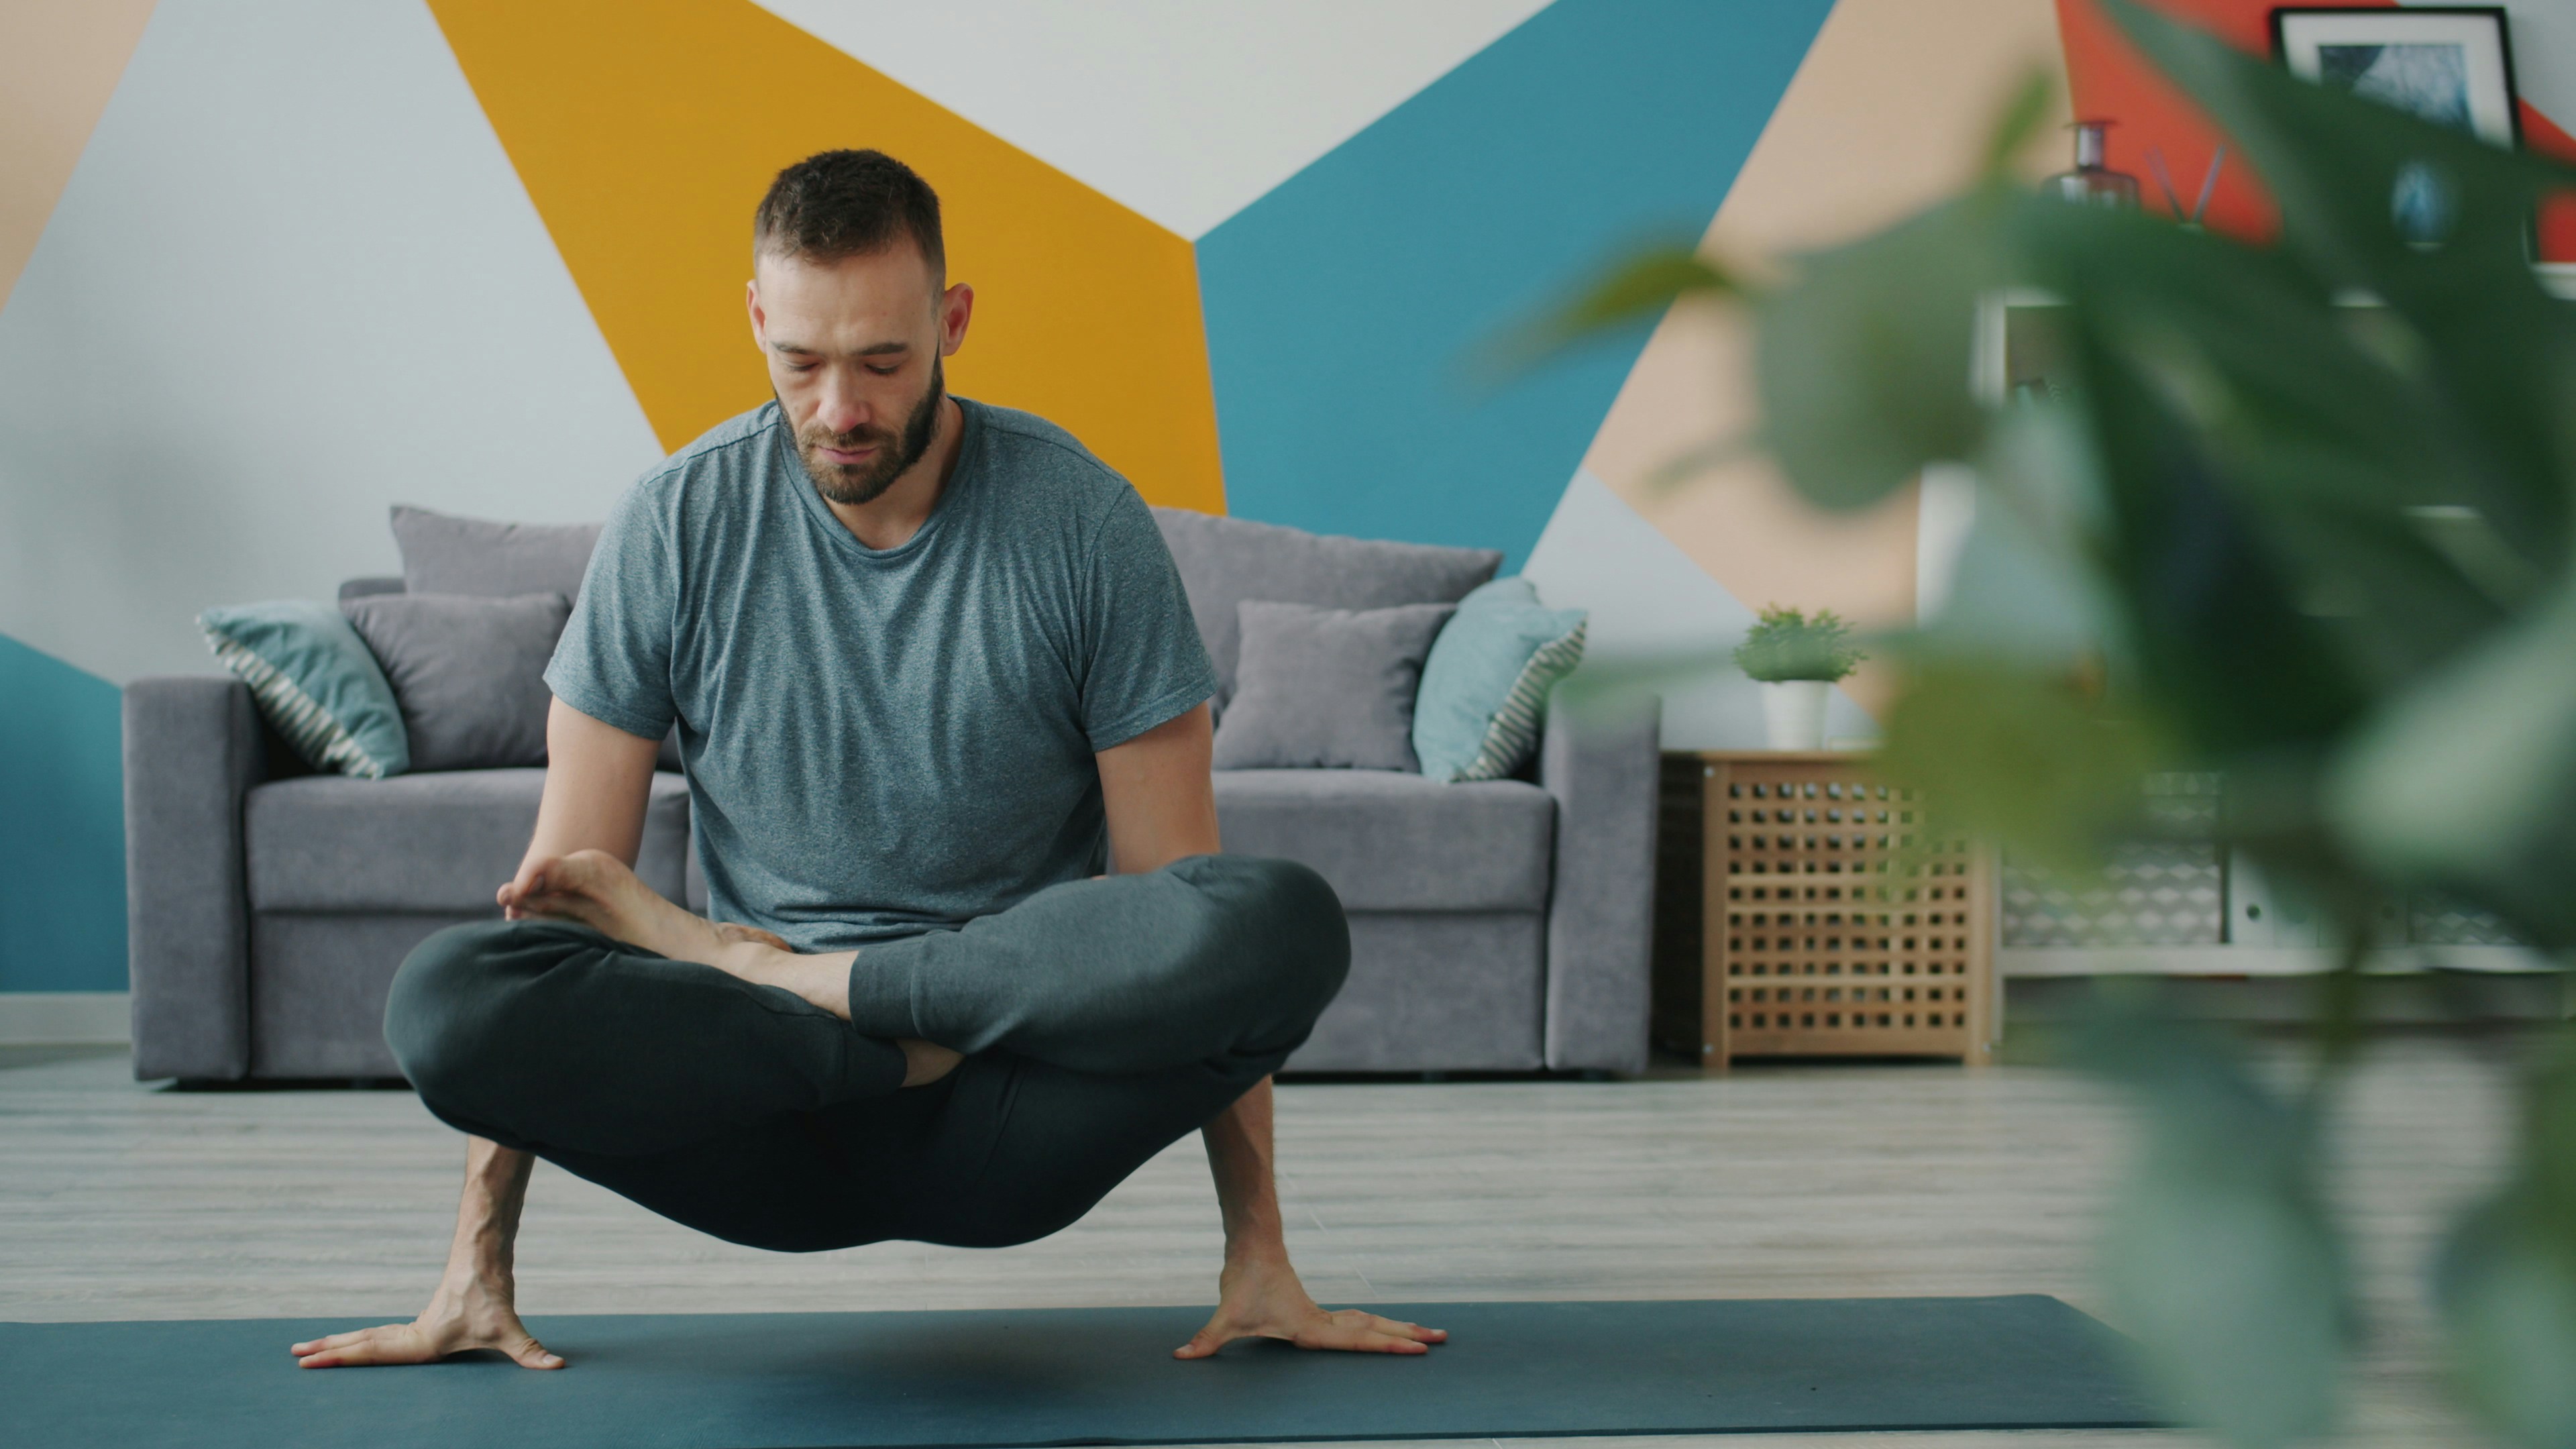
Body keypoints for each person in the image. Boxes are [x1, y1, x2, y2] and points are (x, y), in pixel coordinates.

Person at [288, 149, 1443, 1371]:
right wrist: (475, 1266)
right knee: (449, 999)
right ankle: (799, 1000)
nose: (841, 408)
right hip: (754, 1111)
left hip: (1013, 1106)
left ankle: (810, 984)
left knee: (1277, 919)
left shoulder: (1084, 525)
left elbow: (1181, 917)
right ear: (755, 319)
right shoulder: (674, 525)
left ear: (951, 325)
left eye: (884, 363)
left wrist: (1257, 1254)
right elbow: (559, 906)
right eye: (802, 363)